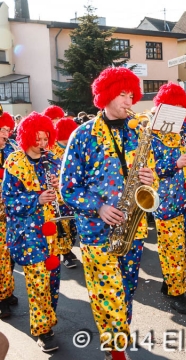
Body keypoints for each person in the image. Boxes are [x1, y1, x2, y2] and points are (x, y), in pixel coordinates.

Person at [60, 67, 154, 360]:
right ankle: (116, 351)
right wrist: (97, 206)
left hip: (132, 228)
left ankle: (116, 341)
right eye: (123, 94)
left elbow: (149, 173)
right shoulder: (83, 135)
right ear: (107, 95)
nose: (130, 101)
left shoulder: (138, 130)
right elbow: (67, 187)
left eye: (131, 95)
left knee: (125, 292)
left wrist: (151, 177)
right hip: (95, 231)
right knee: (109, 294)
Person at [3, 112, 66, 352]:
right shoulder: (15, 162)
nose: (41, 144)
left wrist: (59, 189)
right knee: (38, 283)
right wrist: (36, 199)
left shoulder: (52, 160)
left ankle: (48, 320)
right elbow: (9, 201)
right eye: (37, 139)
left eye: (45, 138)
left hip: (52, 232)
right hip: (28, 234)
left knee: (52, 281)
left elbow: (65, 194)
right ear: (27, 137)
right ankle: (43, 331)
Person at [151, 82, 186, 314]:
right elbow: (146, 168)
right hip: (166, 199)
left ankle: (169, 282)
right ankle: (177, 293)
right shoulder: (150, 130)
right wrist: (175, 163)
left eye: (182, 109)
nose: (180, 114)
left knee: (182, 247)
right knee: (171, 248)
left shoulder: (185, 128)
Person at [52, 117, 79, 268]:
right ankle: (66, 253)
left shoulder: (74, 148)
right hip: (58, 197)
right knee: (63, 226)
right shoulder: (52, 151)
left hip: (74, 195)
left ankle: (69, 248)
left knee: (73, 227)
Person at [0, 111, 18, 319]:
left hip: (12, 215)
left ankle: (7, 290)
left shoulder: (13, 149)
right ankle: (2, 298)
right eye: (2, 130)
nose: (6, 135)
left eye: (7, 130)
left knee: (10, 258)